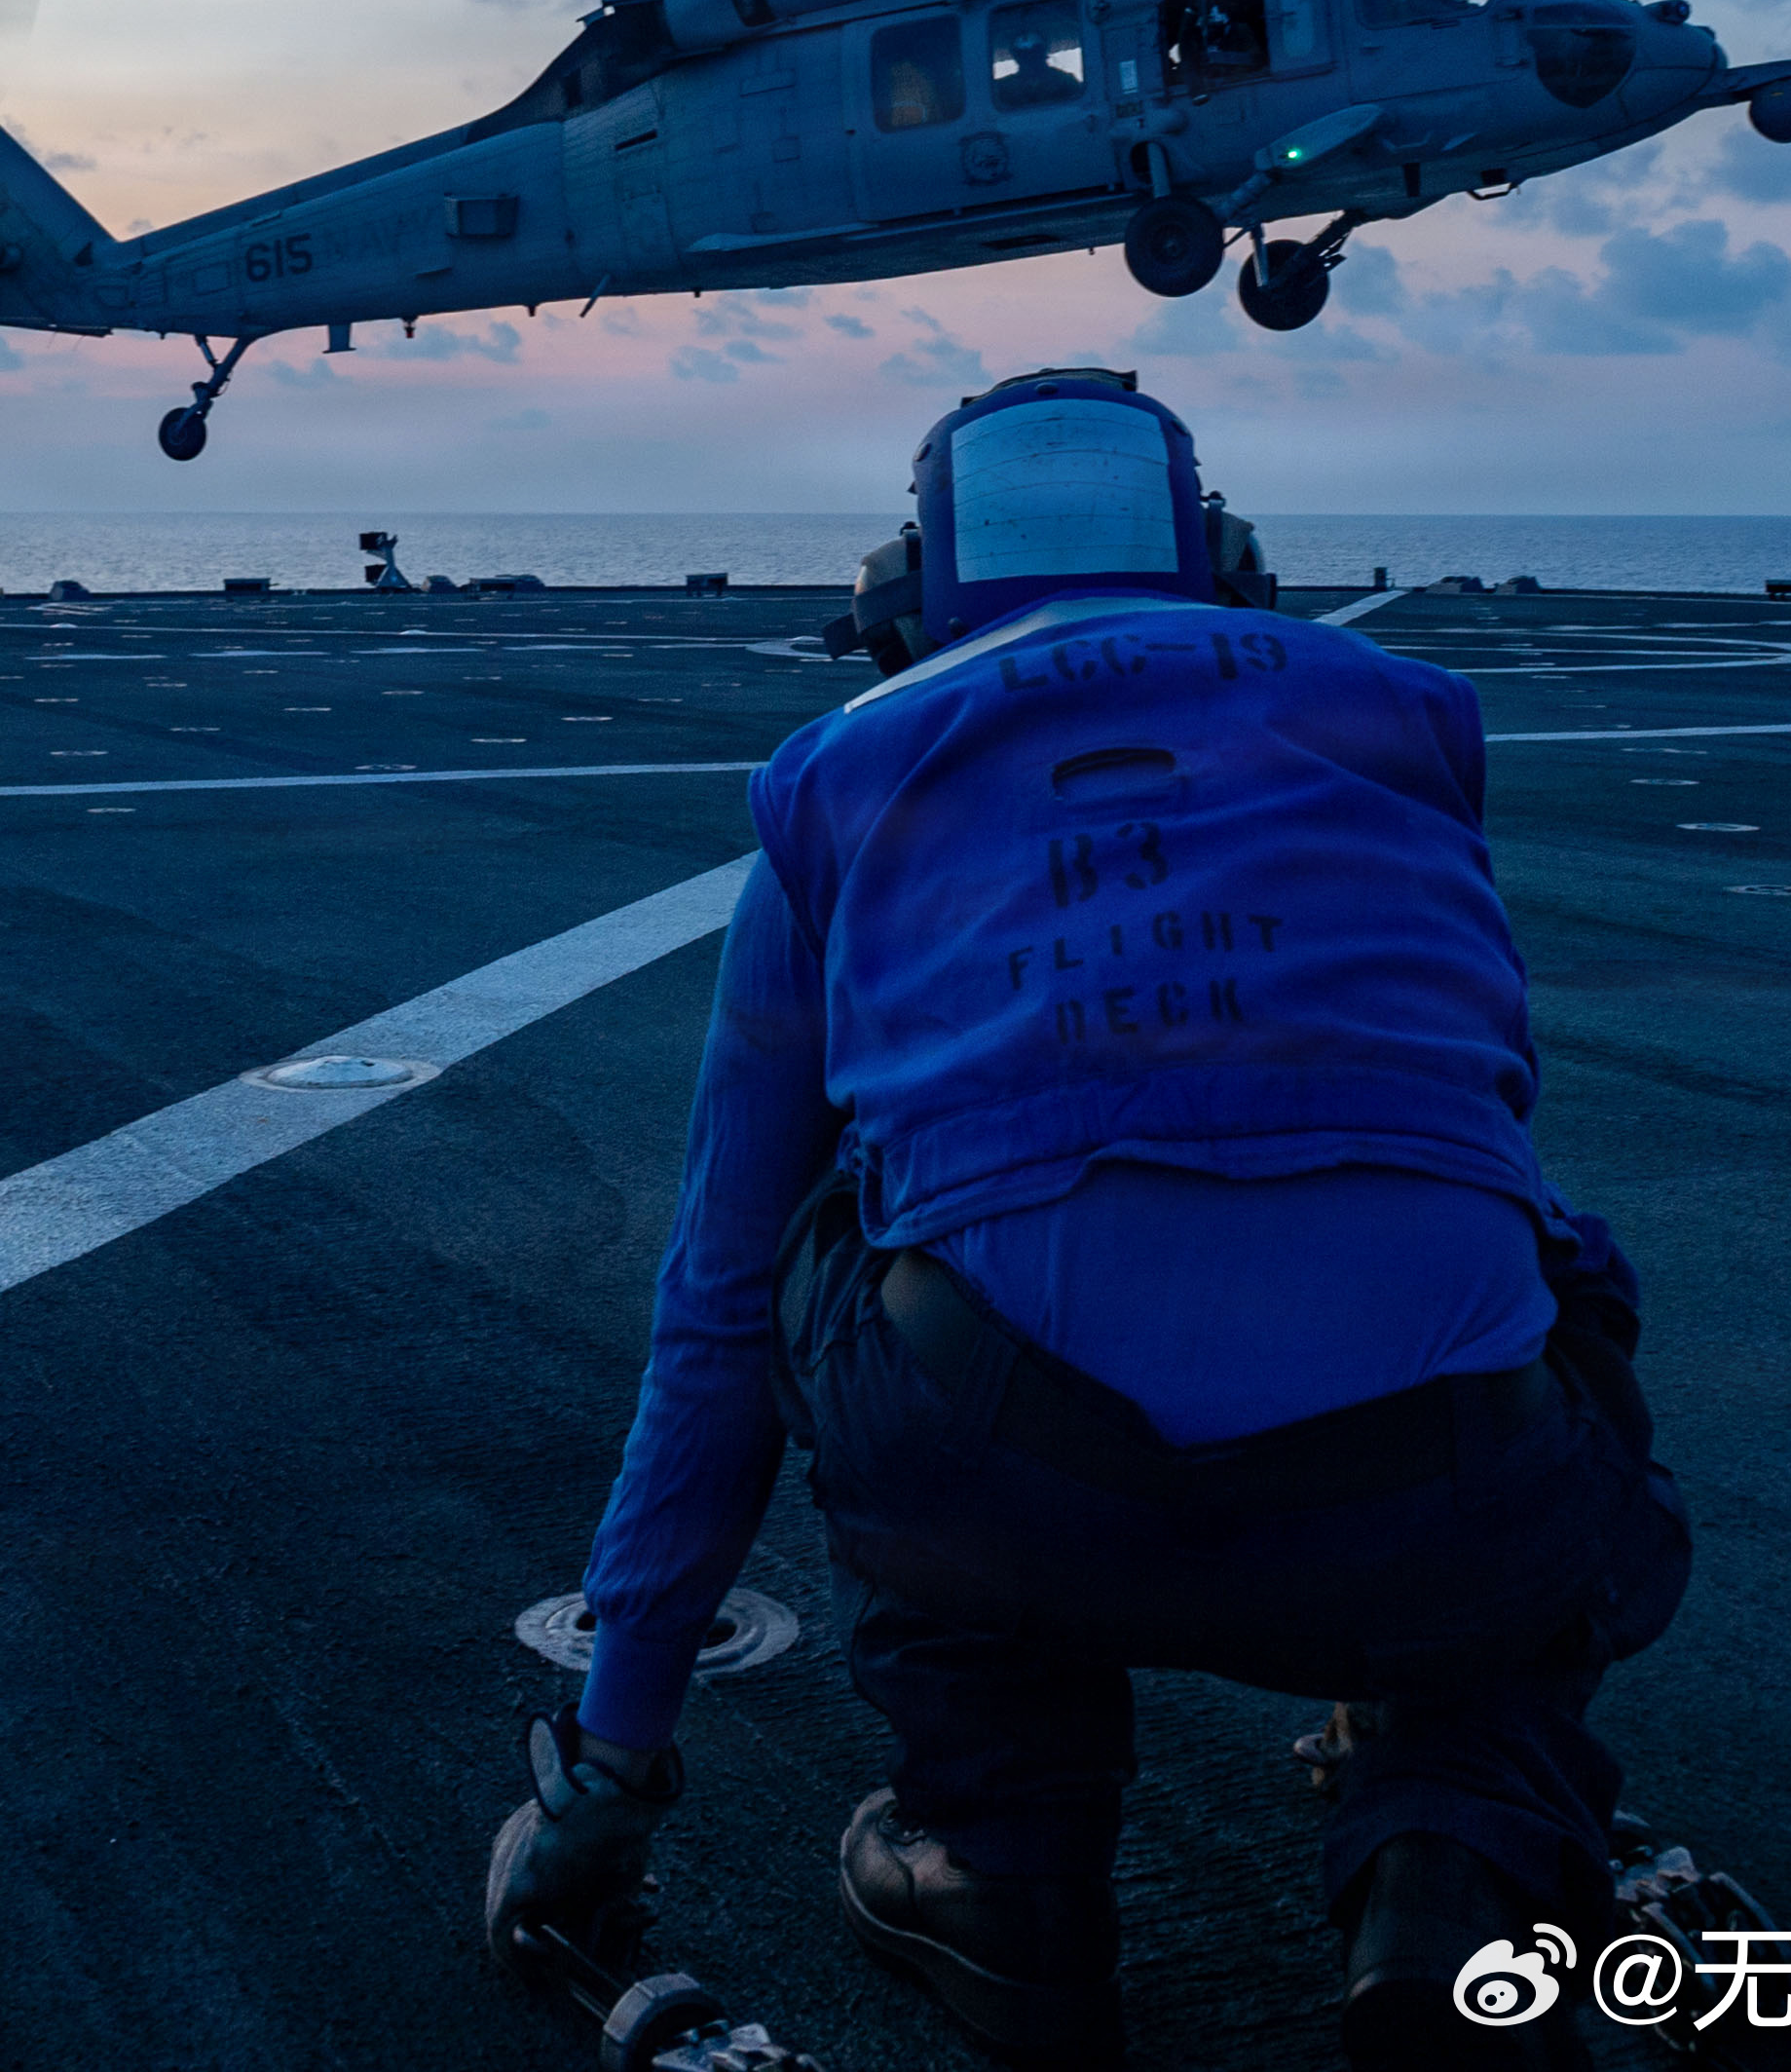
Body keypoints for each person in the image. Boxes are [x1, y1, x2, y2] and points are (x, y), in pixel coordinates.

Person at [487, 367, 1687, 2071]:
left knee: (837, 1248)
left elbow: (718, 1309)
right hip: (1440, 1502)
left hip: (1015, 1487)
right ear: (1235, 566)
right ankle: (1452, 1869)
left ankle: (1000, 1866)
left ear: (902, 604)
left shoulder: (840, 776)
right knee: (1551, 1272)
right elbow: (1471, 1128)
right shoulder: (1400, 721)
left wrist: (606, 1772)